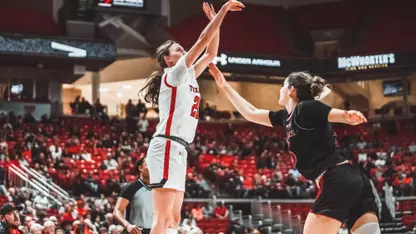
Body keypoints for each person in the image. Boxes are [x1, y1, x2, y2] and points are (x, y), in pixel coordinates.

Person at [208, 64, 379, 234]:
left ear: (291, 90)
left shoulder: (305, 107)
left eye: (282, 86)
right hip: (354, 179)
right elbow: (251, 112)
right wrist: (224, 86)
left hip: (336, 178)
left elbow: (328, 112)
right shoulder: (285, 117)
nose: (280, 90)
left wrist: (346, 116)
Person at [138, 1, 245, 234]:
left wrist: (214, 23)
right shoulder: (174, 74)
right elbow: (202, 42)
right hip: (166, 145)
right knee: (162, 219)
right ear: (167, 59)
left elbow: (211, 53)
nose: (183, 50)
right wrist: (224, 11)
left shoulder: (187, 75)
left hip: (179, 148)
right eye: (177, 49)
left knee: (174, 220)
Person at [113, 157, 152, 234]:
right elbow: (116, 211)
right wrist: (128, 226)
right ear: (140, 168)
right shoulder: (131, 187)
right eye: (149, 164)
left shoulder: (160, 190)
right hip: (136, 231)